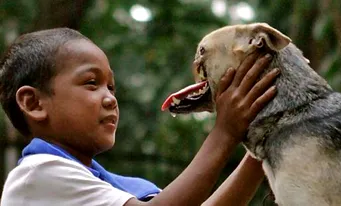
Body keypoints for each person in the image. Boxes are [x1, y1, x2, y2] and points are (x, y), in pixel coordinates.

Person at [0, 28, 278, 206]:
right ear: (34, 103)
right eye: (90, 83)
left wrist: (259, 151)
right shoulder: (38, 174)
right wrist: (225, 132)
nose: (110, 98)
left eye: (111, 87)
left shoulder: (102, 185)